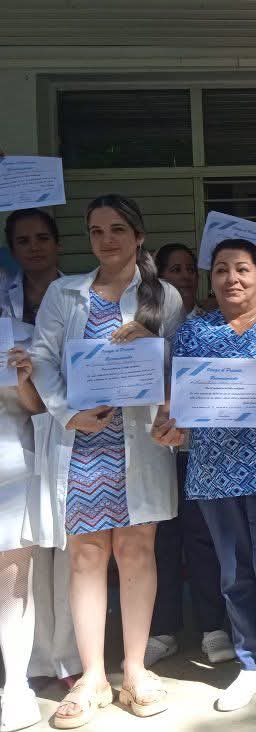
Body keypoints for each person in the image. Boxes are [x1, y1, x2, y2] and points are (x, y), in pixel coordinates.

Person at [31, 195, 184, 726]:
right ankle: (93, 675)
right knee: (87, 556)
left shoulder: (162, 296)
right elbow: (42, 359)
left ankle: (136, 669)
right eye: (96, 231)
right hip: (85, 442)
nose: (107, 239)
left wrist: (155, 344)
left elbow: (178, 371)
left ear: (138, 236)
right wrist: (66, 414)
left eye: (118, 229)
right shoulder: (63, 293)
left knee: (138, 551)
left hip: (138, 440)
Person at [152, 239, 256, 712]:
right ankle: (250, 664)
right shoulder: (194, 330)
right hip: (214, 470)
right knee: (235, 575)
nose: (232, 278)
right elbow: (178, 399)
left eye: (243, 269)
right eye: (222, 270)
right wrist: (168, 423)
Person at [144, 244, 234, 668]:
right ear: (159, 278)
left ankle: (212, 627)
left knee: (202, 540)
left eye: (186, 269)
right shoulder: (144, 325)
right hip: (159, 448)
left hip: (202, 451)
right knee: (163, 541)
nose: (181, 276)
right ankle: (163, 630)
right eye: (172, 268)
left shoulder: (208, 324)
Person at [1, 208, 79, 696]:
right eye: (23, 240)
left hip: (68, 425)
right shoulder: (3, 295)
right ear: (12, 248)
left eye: (42, 238)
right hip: (14, 431)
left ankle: (66, 656)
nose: (34, 247)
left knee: (68, 549)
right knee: (23, 553)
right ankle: (27, 661)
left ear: (57, 243)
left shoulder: (74, 294)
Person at [0, 209, 58, 731]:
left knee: (11, 584)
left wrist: (21, 379)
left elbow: (39, 408)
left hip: (11, 468)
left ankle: (15, 683)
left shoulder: (18, 334)